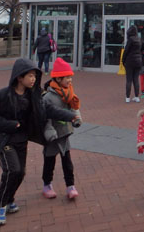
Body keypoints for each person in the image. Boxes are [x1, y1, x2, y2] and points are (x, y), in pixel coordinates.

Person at [0, 58, 79, 226]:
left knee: (21, 173)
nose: (33, 79)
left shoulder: (33, 96)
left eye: (35, 76)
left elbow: (49, 110)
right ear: (20, 77)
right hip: (5, 140)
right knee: (13, 170)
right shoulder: (2, 95)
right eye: (30, 76)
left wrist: (71, 116)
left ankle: (9, 199)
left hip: (21, 140)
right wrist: (10, 124)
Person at [41, 58, 82, 200]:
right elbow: (45, 117)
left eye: (70, 77)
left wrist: (76, 119)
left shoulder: (69, 92)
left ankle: (70, 186)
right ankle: (47, 184)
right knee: (49, 161)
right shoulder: (48, 98)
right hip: (52, 136)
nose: (70, 80)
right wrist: (49, 131)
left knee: (67, 162)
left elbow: (74, 107)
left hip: (64, 134)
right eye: (67, 77)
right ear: (58, 79)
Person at [122, 25, 142, 103]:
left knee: (129, 80)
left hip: (130, 62)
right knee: (136, 79)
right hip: (138, 62)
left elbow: (126, 51)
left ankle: (127, 98)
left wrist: (123, 60)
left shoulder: (130, 40)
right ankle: (137, 97)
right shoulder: (139, 39)